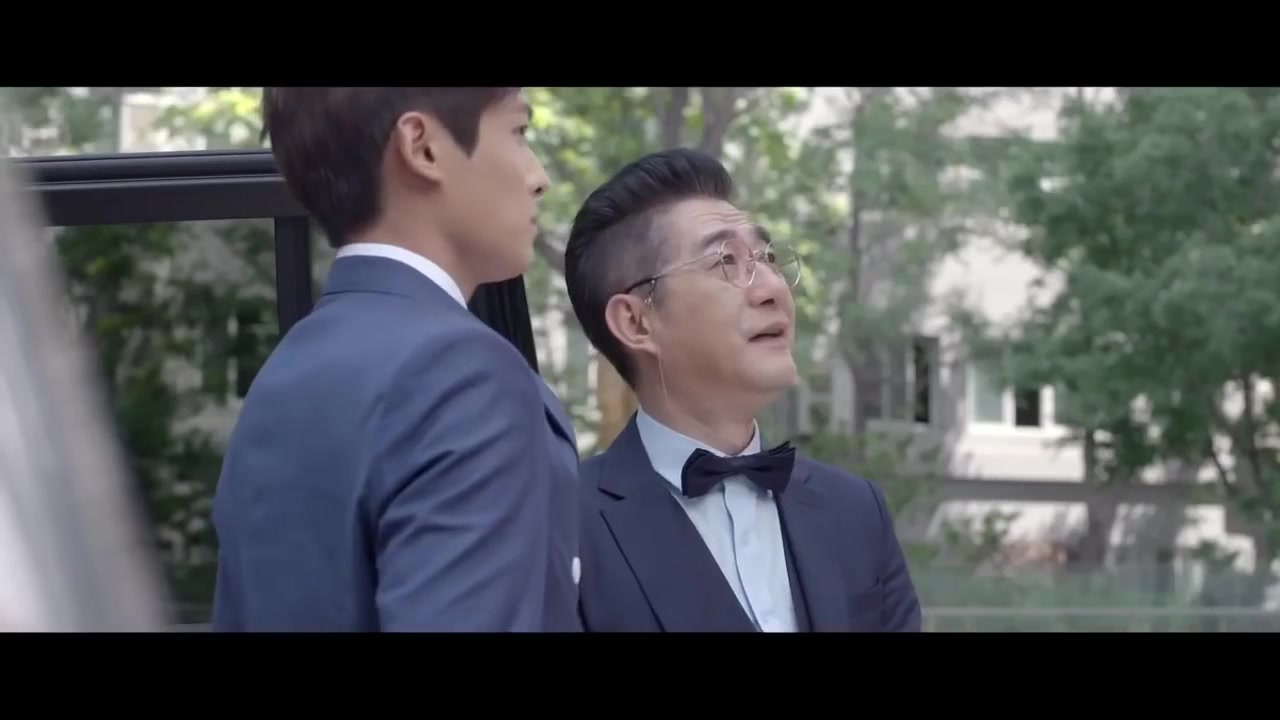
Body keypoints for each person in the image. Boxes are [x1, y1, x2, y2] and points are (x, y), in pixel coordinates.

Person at [211, 88, 580, 632]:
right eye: (518, 132)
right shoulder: (463, 375)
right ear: (422, 147)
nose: (539, 176)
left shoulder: (286, 372)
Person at [563, 148, 922, 632]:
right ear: (636, 321)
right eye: (725, 262)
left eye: (767, 258)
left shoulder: (856, 511)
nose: (772, 288)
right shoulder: (562, 524)